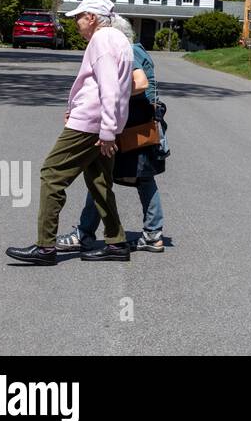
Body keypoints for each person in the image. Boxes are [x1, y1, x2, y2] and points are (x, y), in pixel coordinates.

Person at [6, 0, 133, 265]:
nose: (76, 22)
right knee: (99, 182)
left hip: (91, 124)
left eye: (79, 16)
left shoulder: (102, 41)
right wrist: (107, 125)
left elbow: (109, 88)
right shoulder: (120, 39)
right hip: (101, 123)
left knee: (52, 174)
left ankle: (45, 248)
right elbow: (118, 88)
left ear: (93, 18)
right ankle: (116, 242)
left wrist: (107, 130)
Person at [56, 15, 168, 253]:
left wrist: (107, 93)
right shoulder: (136, 49)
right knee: (133, 178)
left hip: (134, 124)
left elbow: (141, 82)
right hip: (140, 123)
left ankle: (86, 234)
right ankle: (152, 233)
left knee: (102, 178)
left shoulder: (128, 51)